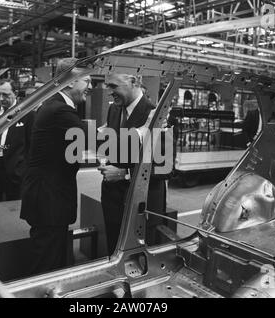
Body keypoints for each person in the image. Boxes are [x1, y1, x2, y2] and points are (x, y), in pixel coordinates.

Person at [20, 58, 92, 274]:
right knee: (47, 263)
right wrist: (141, 132)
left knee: (51, 256)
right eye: (86, 80)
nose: (90, 86)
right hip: (49, 200)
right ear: (70, 82)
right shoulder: (60, 110)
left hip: (47, 198)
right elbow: (90, 142)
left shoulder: (55, 106)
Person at [99, 73, 167, 255]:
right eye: (108, 86)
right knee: (114, 251)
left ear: (134, 81)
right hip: (112, 200)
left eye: (113, 86)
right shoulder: (114, 110)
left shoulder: (156, 114)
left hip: (141, 204)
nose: (109, 92)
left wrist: (124, 173)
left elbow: (164, 168)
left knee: (139, 259)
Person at [0, 80, 34, 202]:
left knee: (13, 210)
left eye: (5, 95)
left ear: (15, 93)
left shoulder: (27, 114)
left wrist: (24, 170)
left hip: (16, 172)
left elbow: (31, 146)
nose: (1, 98)